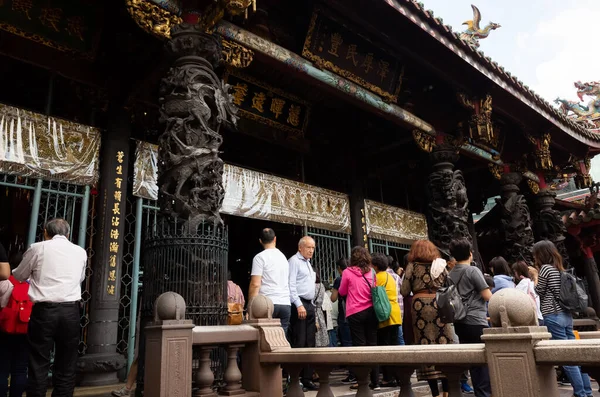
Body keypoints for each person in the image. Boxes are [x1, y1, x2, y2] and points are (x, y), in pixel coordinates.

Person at [13, 218, 87, 397]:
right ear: (68, 234)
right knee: (67, 366)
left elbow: (19, 275)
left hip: (44, 312)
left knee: (38, 363)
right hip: (71, 311)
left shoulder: (38, 248)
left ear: (45, 232)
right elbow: (80, 278)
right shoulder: (80, 252)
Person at [533, 240, 593, 397]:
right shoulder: (558, 268)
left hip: (553, 314)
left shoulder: (545, 269)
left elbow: (539, 291)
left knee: (566, 357)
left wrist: (534, 277)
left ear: (540, 254)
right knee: (575, 355)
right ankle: (587, 391)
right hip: (566, 314)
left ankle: (580, 393)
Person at [401, 240, 452, 397]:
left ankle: (435, 393)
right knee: (444, 342)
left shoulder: (412, 266)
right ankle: (447, 391)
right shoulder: (441, 265)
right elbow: (449, 284)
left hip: (420, 306)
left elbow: (404, 290)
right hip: (439, 303)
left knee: (425, 342)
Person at [448, 238, 492, 397]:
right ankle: (483, 394)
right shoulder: (473, 271)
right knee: (482, 361)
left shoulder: (451, 273)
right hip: (475, 319)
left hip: (459, 321)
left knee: (473, 360)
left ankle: (481, 392)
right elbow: (487, 296)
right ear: (470, 253)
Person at [338, 246, 379, 391]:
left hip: (355, 312)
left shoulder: (348, 272)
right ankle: (376, 381)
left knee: (360, 346)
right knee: (372, 345)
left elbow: (342, 291)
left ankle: (363, 380)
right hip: (371, 311)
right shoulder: (372, 271)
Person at [288, 236, 317, 391]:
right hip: (298, 303)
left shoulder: (307, 263)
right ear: (300, 248)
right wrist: (299, 305)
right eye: (308, 247)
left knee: (310, 342)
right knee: (299, 342)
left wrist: (310, 305)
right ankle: (295, 378)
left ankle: (307, 378)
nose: (311, 250)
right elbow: (291, 285)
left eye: (313, 248)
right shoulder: (294, 261)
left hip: (309, 304)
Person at [249, 228, 291, 333]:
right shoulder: (284, 258)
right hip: (285, 303)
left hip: (267, 304)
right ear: (275, 239)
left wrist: (251, 306)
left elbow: (255, 284)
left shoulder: (259, 258)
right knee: (281, 340)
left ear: (260, 241)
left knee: (264, 338)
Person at [0, 251, 28, 397]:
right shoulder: (32, 285)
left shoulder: (5, 282)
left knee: (2, 369)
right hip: (24, 330)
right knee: (20, 369)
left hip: (4, 330)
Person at [373, 253, 402, 388]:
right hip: (395, 313)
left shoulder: (376, 277)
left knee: (384, 348)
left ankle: (387, 378)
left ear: (376, 266)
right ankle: (398, 376)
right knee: (394, 346)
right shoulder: (391, 276)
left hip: (385, 315)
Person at [512, 261, 543, 325]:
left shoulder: (523, 283)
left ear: (517, 272)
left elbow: (516, 300)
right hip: (539, 316)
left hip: (530, 318)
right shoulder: (532, 283)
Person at [386, 255, 405, 345]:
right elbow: (404, 292)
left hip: (386, 312)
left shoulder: (381, 276)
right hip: (398, 311)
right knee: (399, 337)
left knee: (388, 338)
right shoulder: (397, 277)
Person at [313, 273, 329, 347]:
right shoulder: (321, 286)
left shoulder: (311, 286)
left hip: (313, 312)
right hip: (320, 312)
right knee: (322, 338)